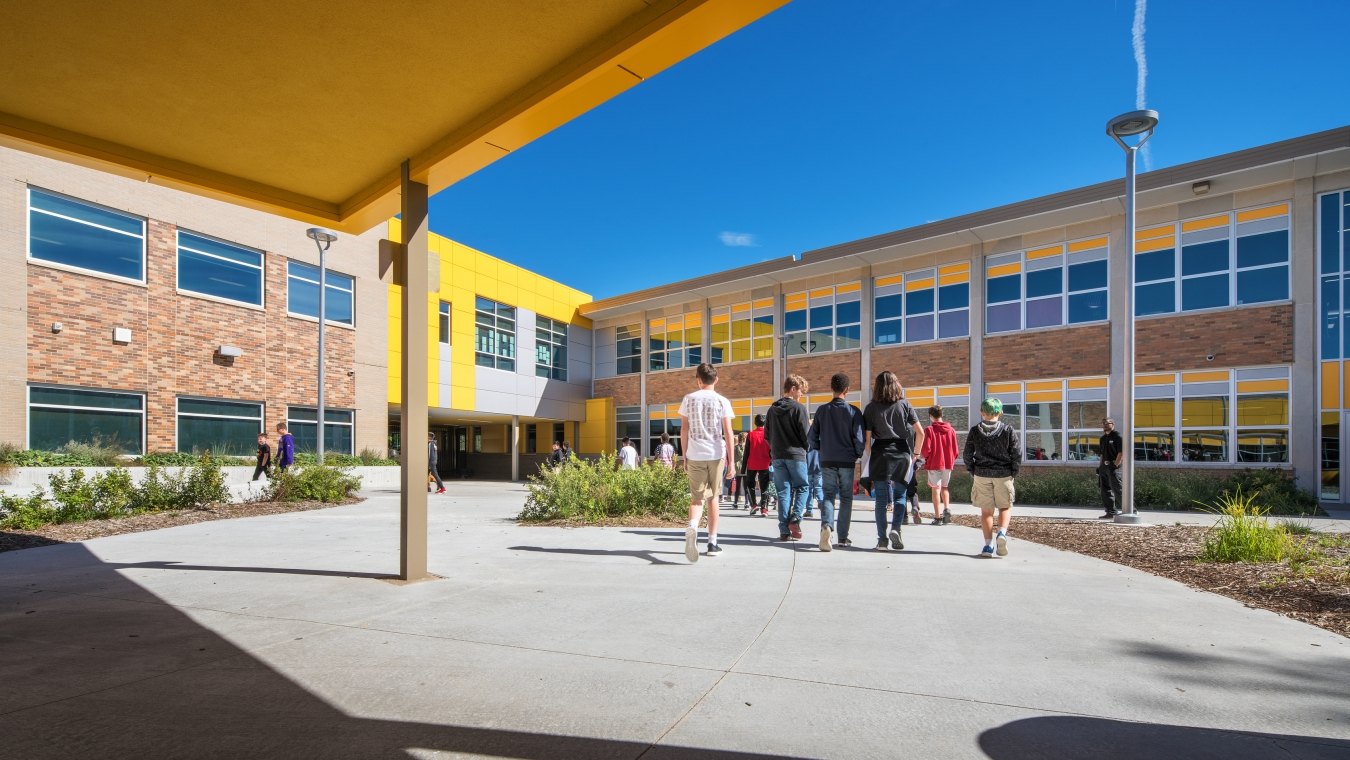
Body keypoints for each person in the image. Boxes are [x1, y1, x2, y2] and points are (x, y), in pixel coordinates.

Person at [678, 362, 736, 560]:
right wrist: (732, 461)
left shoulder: (688, 399)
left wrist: (684, 455)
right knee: (714, 498)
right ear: (716, 380)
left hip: (695, 454)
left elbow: (684, 430)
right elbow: (728, 433)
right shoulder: (722, 401)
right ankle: (712, 543)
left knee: (697, 498)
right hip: (716, 454)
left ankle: (692, 526)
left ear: (698, 380)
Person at [862, 371, 924, 552]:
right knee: (900, 497)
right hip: (902, 453)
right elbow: (921, 432)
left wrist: (871, 456)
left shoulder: (871, 408)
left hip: (881, 453)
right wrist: (916, 454)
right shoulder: (904, 404)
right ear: (897, 385)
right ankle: (896, 529)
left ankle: (882, 540)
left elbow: (867, 441)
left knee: (881, 501)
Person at [808, 372, 864, 550]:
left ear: (831, 388)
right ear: (847, 390)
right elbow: (859, 438)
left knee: (828, 494)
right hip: (847, 460)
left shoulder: (822, 410)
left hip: (827, 459)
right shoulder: (854, 411)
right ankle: (843, 537)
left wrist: (820, 448)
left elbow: (812, 437)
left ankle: (826, 526)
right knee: (846, 498)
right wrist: (857, 454)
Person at [963, 397, 1020, 558]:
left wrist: (972, 469)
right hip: (1003, 474)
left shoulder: (975, 431)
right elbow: (1016, 452)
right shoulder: (1008, 430)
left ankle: (988, 546)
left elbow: (967, 454)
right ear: (1000, 412)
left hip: (981, 473)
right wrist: (1013, 471)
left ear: (982, 413)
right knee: (1005, 506)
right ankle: (1001, 533)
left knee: (986, 512)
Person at [765, 375, 811, 542]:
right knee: (803, 487)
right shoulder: (799, 409)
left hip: (777, 456)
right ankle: (795, 519)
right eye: (800, 391)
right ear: (793, 389)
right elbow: (806, 435)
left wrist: (775, 448)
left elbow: (767, 435)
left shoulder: (771, 410)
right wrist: (808, 449)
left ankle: (784, 530)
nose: (801, 395)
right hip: (796, 455)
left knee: (783, 492)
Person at [920, 405, 959, 525]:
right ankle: (947, 508)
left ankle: (937, 518)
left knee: (935, 489)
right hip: (947, 464)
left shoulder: (929, 430)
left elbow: (926, 449)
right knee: (945, 487)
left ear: (931, 416)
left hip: (934, 463)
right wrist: (951, 459)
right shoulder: (951, 430)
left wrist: (924, 457)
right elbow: (956, 450)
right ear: (942, 415)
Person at [744, 414, 772, 516]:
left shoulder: (751, 435)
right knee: (765, 486)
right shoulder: (768, 434)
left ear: (755, 423)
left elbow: (746, 452)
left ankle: (754, 505)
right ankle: (764, 508)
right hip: (765, 463)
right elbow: (772, 450)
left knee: (750, 484)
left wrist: (743, 468)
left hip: (752, 463)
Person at [1097, 417, 1124, 518]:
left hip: (1114, 466)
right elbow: (1102, 454)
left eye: (1107, 423)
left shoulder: (1118, 437)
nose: (1104, 425)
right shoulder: (1102, 439)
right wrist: (1100, 467)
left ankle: (1130, 510)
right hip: (1104, 466)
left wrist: (1116, 464)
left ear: (1113, 424)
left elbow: (1121, 452)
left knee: (1118, 488)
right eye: (1103, 423)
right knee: (1105, 489)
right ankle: (1110, 511)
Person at [731, 432, 748, 508]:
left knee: (738, 486)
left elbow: (733, 458)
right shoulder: (747, 447)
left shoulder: (736, 447)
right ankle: (746, 503)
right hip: (746, 468)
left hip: (738, 468)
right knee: (746, 486)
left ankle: (736, 503)